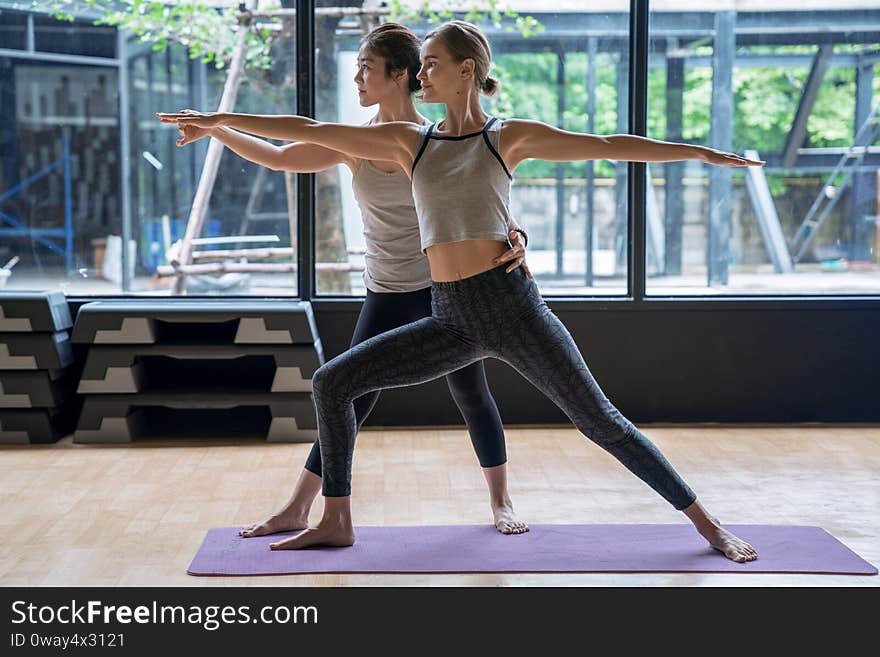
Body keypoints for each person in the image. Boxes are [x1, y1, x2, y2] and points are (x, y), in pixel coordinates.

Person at [158, 20, 761, 562]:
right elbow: (305, 130)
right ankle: (334, 518)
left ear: (465, 70)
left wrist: (700, 153)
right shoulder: (407, 143)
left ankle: (706, 524)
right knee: (333, 382)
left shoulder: (507, 137)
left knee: (600, 422)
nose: (422, 74)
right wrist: (218, 121)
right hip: (449, 317)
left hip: (512, 309)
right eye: (418, 65)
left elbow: (606, 147)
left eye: (431, 64)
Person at [170, 23, 530, 537]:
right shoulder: (354, 143)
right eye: (357, 66)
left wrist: (515, 232)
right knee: (348, 395)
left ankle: (503, 503)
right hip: (385, 289)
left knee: (472, 392)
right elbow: (278, 156)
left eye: (367, 67)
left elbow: (483, 200)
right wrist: (217, 130)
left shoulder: (438, 139)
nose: (357, 77)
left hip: (443, 289)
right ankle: (297, 508)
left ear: (399, 75)